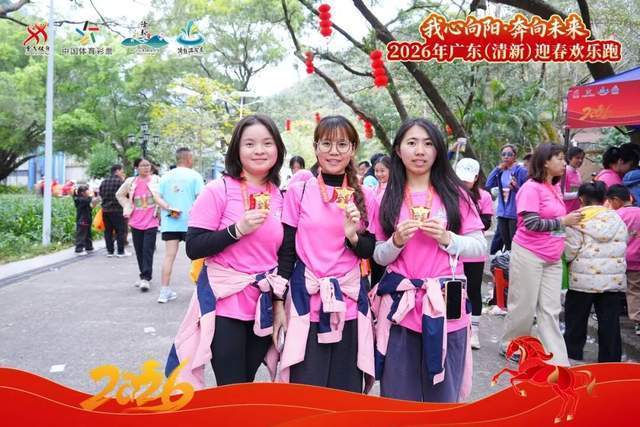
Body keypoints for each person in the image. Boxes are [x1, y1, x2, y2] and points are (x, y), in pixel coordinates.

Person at [166, 114, 287, 389]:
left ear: (278, 149)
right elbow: (194, 246)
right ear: (237, 149)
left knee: (246, 380)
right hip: (225, 301)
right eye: (250, 144)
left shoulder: (280, 196)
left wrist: (280, 301)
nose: (259, 150)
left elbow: (285, 254)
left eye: (267, 143)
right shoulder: (218, 190)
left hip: (262, 303)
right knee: (231, 385)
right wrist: (237, 229)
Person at [372, 118, 486, 402]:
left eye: (428, 143)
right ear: (398, 150)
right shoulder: (385, 197)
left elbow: (479, 247)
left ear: (438, 150)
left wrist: (448, 239)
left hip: (446, 308)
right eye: (411, 143)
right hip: (401, 312)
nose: (420, 151)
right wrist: (396, 241)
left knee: (443, 400)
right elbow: (378, 255)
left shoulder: (456, 194)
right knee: (399, 401)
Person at [275, 115, 377, 393]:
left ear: (353, 149)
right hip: (305, 301)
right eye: (327, 144)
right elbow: (287, 252)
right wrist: (278, 301)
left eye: (342, 144)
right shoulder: (299, 191)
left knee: (345, 393)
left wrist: (353, 236)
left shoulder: (365, 195)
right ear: (316, 147)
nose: (334, 151)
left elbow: (370, 250)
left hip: (350, 304)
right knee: (305, 391)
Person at [500, 143, 582, 367]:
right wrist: (563, 221)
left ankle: (556, 358)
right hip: (529, 253)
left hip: (553, 257)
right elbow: (531, 223)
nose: (564, 163)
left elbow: (556, 221)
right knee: (524, 305)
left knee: (551, 309)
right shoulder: (531, 188)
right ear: (545, 162)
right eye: (560, 158)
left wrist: (568, 222)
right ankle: (512, 344)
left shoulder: (554, 187)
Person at [563, 181, 627, 362]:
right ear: (604, 198)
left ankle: (572, 358)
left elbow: (570, 251)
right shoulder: (617, 219)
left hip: (582, 280)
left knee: (576, 321)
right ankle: (610, 364)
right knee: (610, 323)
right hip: (612, 281)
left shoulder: (576, 219)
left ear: (581, 199)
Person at [116, 158, 173, 292]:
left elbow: (165, 193)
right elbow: (119, 195)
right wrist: (127, 206)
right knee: (139, 250)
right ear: (136, 167)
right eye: (142, 165)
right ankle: (143, 275)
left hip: (151, 221)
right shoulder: (130, 182)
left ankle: (146, 277)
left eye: (148, 165)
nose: (146, 167)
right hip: (135, 221)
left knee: (148, 249)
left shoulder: (156, 180)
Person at [157, 148, 204, 304]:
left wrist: (169, 208)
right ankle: (199, 290)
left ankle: (164, 291)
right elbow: (201, 199)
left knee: (169, 256)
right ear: (188, 158)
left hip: (170, 222)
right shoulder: (195, 176)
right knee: (195, 257)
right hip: (192, 222)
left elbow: (157, 197)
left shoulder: (165, 176)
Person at [455, 158, 493, 350]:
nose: (464, 183)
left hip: (474, 253)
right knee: (454, 291)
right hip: (455, 251)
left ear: (476, 178)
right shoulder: (449, 194)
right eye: (460, 179)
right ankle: (456, 328)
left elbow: (486, 223)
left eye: (467, 180)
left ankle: (474, 331)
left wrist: (469, 217)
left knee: (473, 290)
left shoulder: (483, 196)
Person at [607, 185, 640, 334]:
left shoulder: (616, 215)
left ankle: (637, 320)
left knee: (631, 290)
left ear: (616, 200)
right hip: (638, 258)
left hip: (623, 259)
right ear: (630, 197)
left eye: (610, 201)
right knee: (635, 289)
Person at [485, 144, 528, 251]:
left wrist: (515, 188)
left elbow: (527, 192)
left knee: (514, 243)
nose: (506, 157)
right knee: (506, 243)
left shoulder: (521, 171)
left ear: (515, 156)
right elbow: (489, 184)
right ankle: (506, 259)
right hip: (502, 212)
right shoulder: (501, 171)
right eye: (503, 154)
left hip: (514, 213)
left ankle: (515, 261)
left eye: (509, 154)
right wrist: (497, 168)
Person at [99, 164, 129, 257]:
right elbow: (126, 195)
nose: (122, 172)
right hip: (118, 210)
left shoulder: (103, 182)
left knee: (108, 231)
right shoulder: (120, 182)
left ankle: (110, 251)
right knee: (120, 231)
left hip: (105, 210)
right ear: (117, 171)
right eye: (122, 171)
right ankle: (120, 251)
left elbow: (101, 194)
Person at [73, 184, 98, 255]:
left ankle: (89, 247)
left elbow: (90, 206)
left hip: (86, 218)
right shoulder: (80, 199)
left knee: (87, 234)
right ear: (82, 192)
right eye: (87, 190)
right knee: (81, 234)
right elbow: (90, 200)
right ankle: (78, 249)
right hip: (82, 219)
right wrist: (94, 196)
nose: (89, 192)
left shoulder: (83, 199)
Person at [563, 147, 585, 213]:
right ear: (569, 158)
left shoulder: (578, 173)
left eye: (582, 158)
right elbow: (562, 195)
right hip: (566, 211)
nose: (580, 160)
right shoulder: (564, 172)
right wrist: (581, 193)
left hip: (576, 211)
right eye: (577, 158)